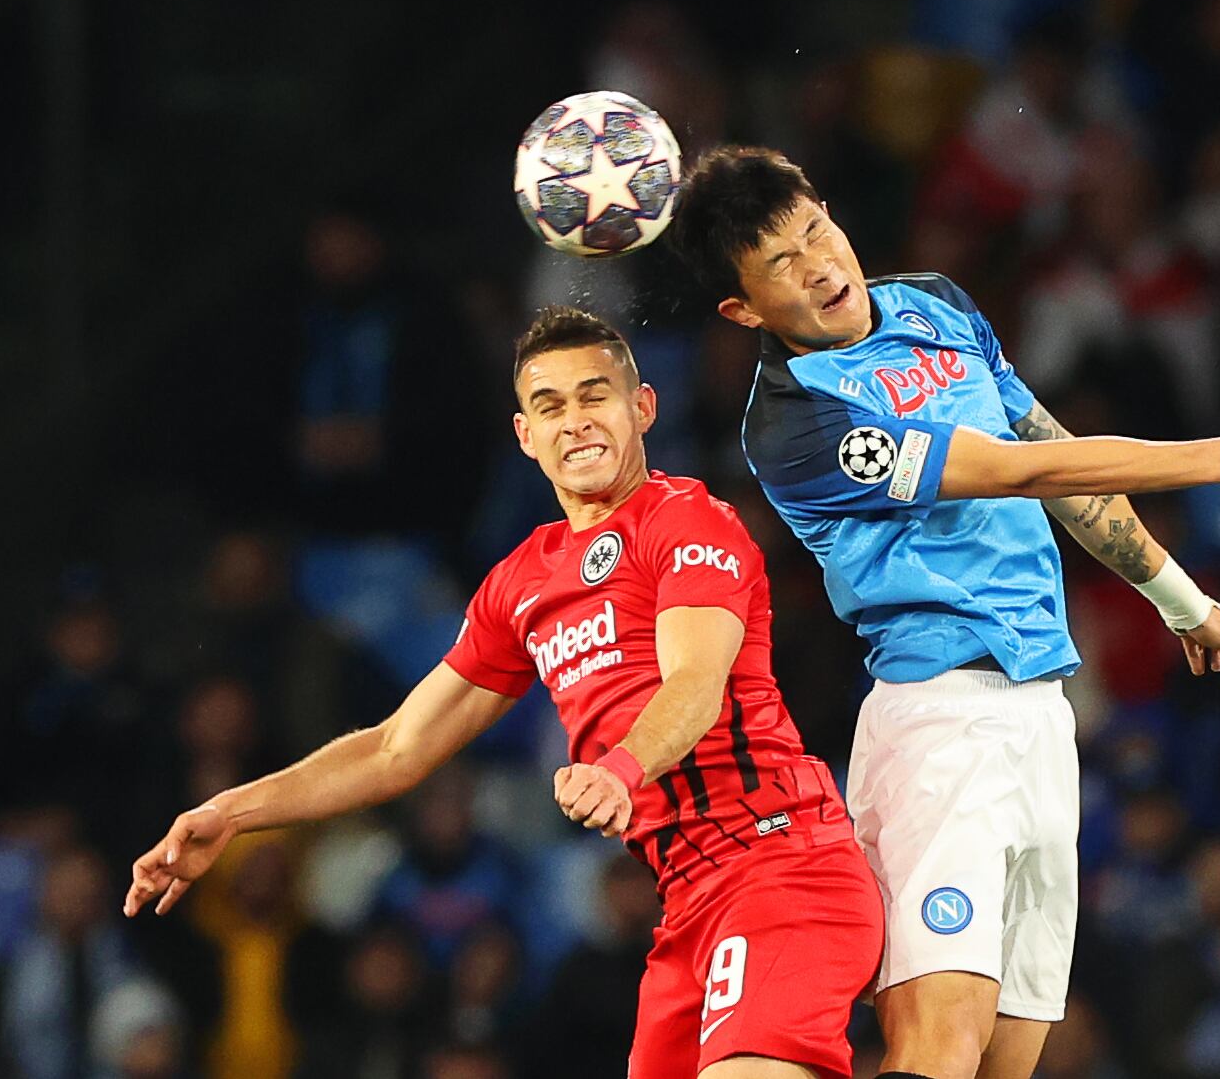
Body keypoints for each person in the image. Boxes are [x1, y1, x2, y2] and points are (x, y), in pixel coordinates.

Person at [667, 146, 1220, 1079]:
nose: (822, 266)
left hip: (1043, 717)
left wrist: (1180, 598)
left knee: (1009, 1063)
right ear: (742, 309)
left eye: (816, 232)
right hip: (938, 727)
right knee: (936, 1050)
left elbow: (1053, 453)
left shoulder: (935, 305)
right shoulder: (796, 424)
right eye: (782, 267)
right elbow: (1015, 471)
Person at [123, 306, 886, 1079]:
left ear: (643, 407)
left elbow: (695, 681)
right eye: (551, 406)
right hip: (685, 910)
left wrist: (619, 769)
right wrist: (233, 812)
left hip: (779, 868)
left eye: (596, 396)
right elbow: (395, 748)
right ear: (526, 435)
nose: (576, 421)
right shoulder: (521, 583)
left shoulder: (689, 522)